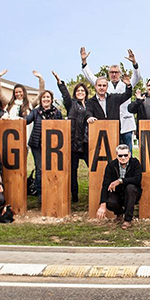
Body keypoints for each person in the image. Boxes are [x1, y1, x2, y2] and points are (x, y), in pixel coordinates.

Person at [81, 47, 141, 148]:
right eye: (111, 72)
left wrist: (134, 63)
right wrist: (84, 62)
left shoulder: (126, 83)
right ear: (108, 74)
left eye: (116, 72)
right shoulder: (104, 84)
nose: (114, 74)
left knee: (127, 151)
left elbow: (137, 77)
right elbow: (89, 76)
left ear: (120, 73)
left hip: (126, 123)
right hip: (111, 125)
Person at [53, 71, 92, 203]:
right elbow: (65, 96)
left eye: (82, 90)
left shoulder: (90, 105)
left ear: (86, 93)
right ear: (75, 93)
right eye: (78, 90)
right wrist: (60, 83)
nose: (80, 92)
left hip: (88, 143)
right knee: (73, 170)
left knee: (93, 168)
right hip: (75, 143)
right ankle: (74, 195)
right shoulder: (72, 104)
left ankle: (95, 192)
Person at [24, 88, 63, 196]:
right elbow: (26, 120)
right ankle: (40, 192)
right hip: (37, 144)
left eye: (48, 97)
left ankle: (50, 190)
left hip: (52, 145)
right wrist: (17, 119)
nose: (46, 99)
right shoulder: (35, 112)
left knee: (51, 167)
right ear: (41, 100)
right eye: (44, 97)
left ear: (51, 100)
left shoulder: (57, 112)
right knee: (40, 168)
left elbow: (62, 126)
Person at [95, 144, 141, 229]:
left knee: (130, 188)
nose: (123, 157)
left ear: (129, 154)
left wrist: (120, 181)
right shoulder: (111, 165)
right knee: (109, 202)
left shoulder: (135, 163)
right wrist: (102, 204)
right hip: (117, 193)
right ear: (116, 156)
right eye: (120, 155)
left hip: (132, 192)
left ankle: (127, 220)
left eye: (125, 155)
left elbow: (137, 179)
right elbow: (105, 185)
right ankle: (120, 213)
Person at [2, 71, 45, 143]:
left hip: (26, 134)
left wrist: (41, 79)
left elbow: (40, 94)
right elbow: (0, 93)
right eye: (16, 92)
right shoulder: (10, 104)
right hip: (12, 134)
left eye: (20, 92)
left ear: (24, 92)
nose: (18, 94)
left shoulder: (30, 104)